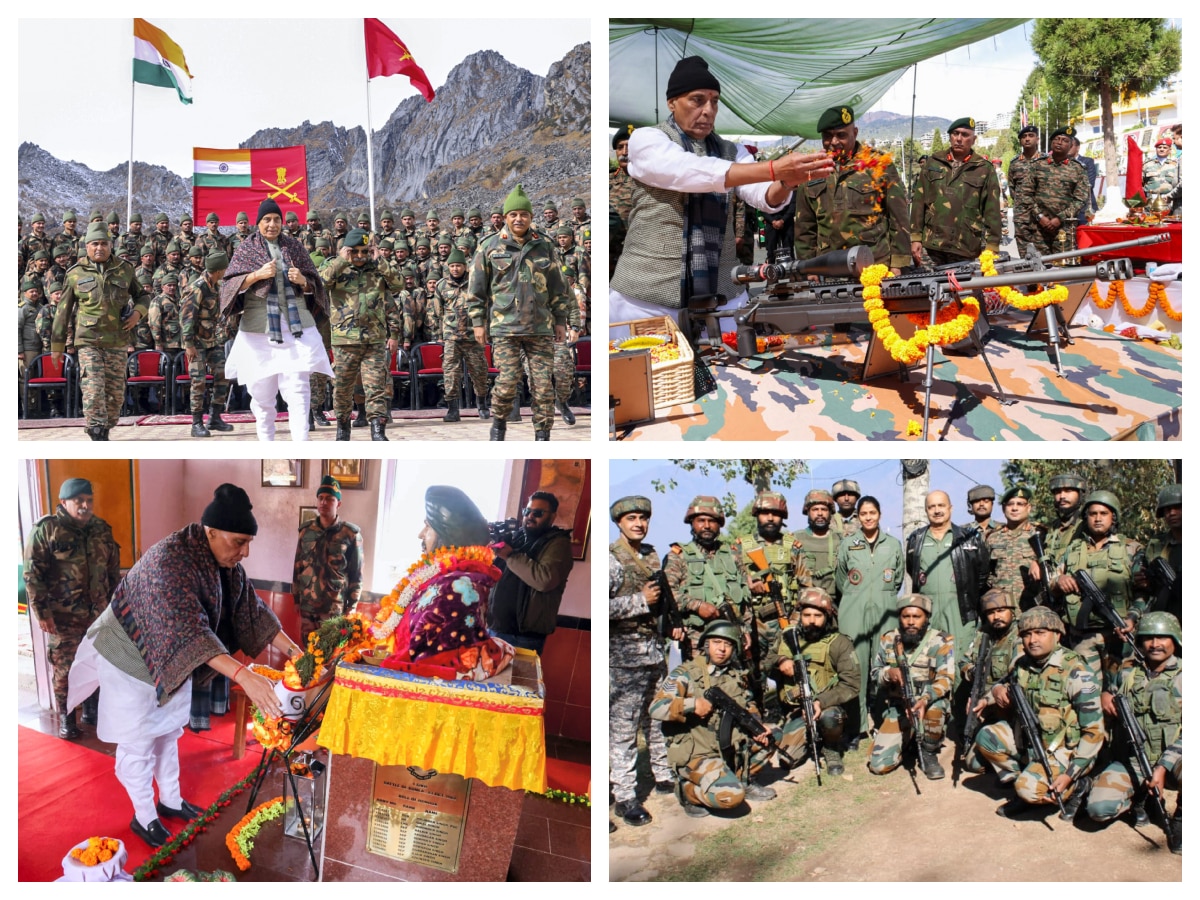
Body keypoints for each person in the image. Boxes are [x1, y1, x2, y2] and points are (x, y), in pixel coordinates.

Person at [65, 484, 301, 848]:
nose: (245, 552)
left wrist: (295, 651)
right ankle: (144, 815)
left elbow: (252, 610)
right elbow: (189, 631)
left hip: (170, 658)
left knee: (168, 731)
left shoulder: (224, 562)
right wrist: (244, 676)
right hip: (130, 655)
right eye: (239, 542)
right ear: (211, 532)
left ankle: (170, 800)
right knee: (140, 740)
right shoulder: (170, 561)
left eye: (248, 542)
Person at [609, 55, 834, 328]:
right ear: (672, 103)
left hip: (722, 295)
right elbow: (687, 170)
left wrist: (787, 181)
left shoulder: (731, 151)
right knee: (649, 369)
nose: (708, 110)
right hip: (644, 299)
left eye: (714, 101)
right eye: (697, 100)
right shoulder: (647, 139)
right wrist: (774, 168)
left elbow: (763, 195)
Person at [219, 198, 333, 442]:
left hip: (296, 326)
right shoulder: (246, 249)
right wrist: (255, 276)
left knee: (299, 387)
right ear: (258, 223)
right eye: (267, 220)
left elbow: (315, 283)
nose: (272, 224)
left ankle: (301, 443)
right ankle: (266, 444)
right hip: (259, 328)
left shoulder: (294, 247)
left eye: (276, 220)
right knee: (261, 392)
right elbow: (228, 287)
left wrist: (302, 280)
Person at [974, 606, 1103, 820]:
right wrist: (992, 693)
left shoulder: (1076, 672)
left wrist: (1073, 772)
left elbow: (1094, 731)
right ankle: (1025, 785)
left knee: (1030, 789)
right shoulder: (1023, 665)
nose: (1032, 640)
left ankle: (1079, 786)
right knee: (987, 738)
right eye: (1026, 634)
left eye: (1040, 633)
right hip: (1035, 740)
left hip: (1068, 750)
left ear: (1057, 635)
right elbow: (1006, 682)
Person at [468, 184, 571, 441]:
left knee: (543, 386)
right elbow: (476, 289)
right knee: (506, 384)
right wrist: (478, 322)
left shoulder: (545, 246)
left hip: (540, 327)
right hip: (505, 328)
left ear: (531, 217)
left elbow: (559, 287)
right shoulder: (489, 247)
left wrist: (561, 321)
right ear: (505, 218)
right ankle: (499, 425)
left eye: (523, 214)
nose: (518, 219)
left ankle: (542, 434)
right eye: (513, 214)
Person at [650, 619, 779, 817]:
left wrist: (757, 726)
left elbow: (748, 703)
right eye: (717, 642)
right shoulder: (686, 674)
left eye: (728, 644)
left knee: (773, 736)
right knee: (731, 796)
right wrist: (692, 705)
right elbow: (656, 708)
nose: (722, 649)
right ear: (706, 644)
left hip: (728, 747)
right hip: (699, 753)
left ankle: (744, 780)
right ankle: (687, 791)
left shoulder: (734, 675)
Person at [23, 478, 121, 739]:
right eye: (79, 501)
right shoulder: (47, 530)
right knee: (65, 669)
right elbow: (33, 575)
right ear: (64, 502)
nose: (85, 505)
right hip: (63, 617)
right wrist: (42, 614)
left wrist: (115, 610)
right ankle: (68, 719)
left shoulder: (101, 528)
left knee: (97, 664)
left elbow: (112, 572)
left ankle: (91, 711)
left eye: (89, 500)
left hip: (99, 615)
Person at [1086, 611, 1181, 851]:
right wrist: (1105, 694)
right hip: (1134, 759)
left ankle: (1181, 818)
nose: (1155, 644)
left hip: (1176, 760)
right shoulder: (1128, 673)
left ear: (1176, 640)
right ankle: (1138, 799)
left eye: (1163, 637)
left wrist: (1162, 766)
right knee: (1098, 809)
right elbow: (1110, 688)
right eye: (1148, 638)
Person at [609, 496, 675, 827]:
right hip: (624, 658)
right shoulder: (611, 560)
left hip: (653, 651)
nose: (639, 523)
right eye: (632, 518)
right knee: (623, 729)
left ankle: (663, 775)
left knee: (657, 718)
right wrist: (640, 601)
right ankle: (625, 796)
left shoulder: (650, 555)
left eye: (643, 518)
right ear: (619, 523)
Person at [50, 221, 149, 440]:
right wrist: (57, 346)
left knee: (114, 397)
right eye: (94, 244)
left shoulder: (124, 269)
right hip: (88, 341)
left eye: (104, 243)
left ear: (110, 245)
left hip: (117, 340)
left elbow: (142, 295)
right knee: (94, 390)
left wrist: (137, 314)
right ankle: (97, 433)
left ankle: (105, 428)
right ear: (86, 247)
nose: (99, 248)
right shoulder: (75, 273)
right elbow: (63, 312)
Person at [794, 105, 912, 273]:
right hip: (828, 268)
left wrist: (898, 264)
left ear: (855, 133)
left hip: (874, 265)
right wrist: (807, 266)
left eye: (841, 135)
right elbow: (804, 225)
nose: (834, 142)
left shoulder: (879, 164)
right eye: (827, 136)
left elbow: (899, 217)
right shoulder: (813, 169)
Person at [1051, 490, 1145, 687]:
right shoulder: (1073, 549)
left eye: (1103, 514)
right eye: (1093, 514)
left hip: (1119, 635)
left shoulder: (1131, 548)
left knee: (1122, 691)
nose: (1098, 518)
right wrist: (1060, 581)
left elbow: (1143, 593)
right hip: (1082, 638)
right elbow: (1051, 582)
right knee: (1086, 693)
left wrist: (1132, 618)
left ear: (1114, 517)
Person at [318, 227, 402, 441]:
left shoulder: (377, 269)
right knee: (343, 389)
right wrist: (341, 260)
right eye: (355, 252)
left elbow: (398, 285)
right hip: (345, 340)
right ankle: (343, 429)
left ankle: (378, 432)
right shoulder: (336, 267)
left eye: (364, 251)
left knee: (376, 388)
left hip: (373, 339)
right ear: (347, 250)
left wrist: (381, 260)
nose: (360, 256)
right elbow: (320, 284)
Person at [835, 495, 904, 741]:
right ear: (858, 516)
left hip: (885, 610)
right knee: (856, 669)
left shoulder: (893, 544)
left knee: (886, 667)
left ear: (879, 514)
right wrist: (858, 598)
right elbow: (841, 578)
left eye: (872, 513)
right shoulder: (847, 544)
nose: (868, 517)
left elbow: (897, 579)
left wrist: (879, 598)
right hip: (854, 611)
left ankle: (885, 722)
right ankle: (857, 726)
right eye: (863, 514)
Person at [774, 587, 860, 776]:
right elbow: (765, 663)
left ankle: (831, 747)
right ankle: (809, 739)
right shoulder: (789, 638)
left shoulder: (839, 643)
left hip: (827, 707)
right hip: (797, 710)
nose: (811, 621)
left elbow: (851, 684)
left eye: (817, 615)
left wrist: (821, 701)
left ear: (828, 617)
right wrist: (781, 661)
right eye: (806, 615)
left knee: (830, 717)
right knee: (787, 760)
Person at [732, 490, 812, 692]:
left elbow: (806, 586)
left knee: (790, 674)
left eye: (775, 513)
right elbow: (729, 584)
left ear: (782, 517)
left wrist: (794, 620)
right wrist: (746, 584)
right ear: (757, 514)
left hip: (785, 620)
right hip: (752, 624)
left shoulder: (792, 546)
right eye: (765, 512)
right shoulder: (741, 547)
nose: (770, 518)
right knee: (750, 676)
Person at [868, 594, 954, 781]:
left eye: (916, 617)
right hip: (898, 708)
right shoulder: (889, 639)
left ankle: (928, 751)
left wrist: (925, 699)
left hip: (928, 705)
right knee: (879, 765)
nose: (911, 622)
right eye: (906, 617)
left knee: (936, 709)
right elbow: (874, 673)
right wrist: (888, 673)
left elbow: (946, 679)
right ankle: (907, 741)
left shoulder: (941, 641)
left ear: (926, 618)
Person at [904, 490, 990, 665]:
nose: (937, 510)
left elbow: (982, 574)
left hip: (959, 612)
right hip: (928, 612)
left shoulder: (969, 538)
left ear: (950, 508)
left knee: (959, 661)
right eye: (931, 507)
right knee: (929, 662)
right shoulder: (916, 539)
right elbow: (912, 569)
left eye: (941, 505)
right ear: (926, 510)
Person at [487, 491, 573, 654]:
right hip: (495, 628)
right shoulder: (516, 537)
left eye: (538, 513)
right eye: (527, 511)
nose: (530, 516)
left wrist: (510, 555)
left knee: (518, 680)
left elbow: (545, 580)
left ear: (552, 517)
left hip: (523, 637)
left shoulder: (558, 544)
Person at [664, 495, 748, 659]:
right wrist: (697, 605)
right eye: (701, 520)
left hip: (731, 638)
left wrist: (745, 630)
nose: (707, 526)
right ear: (692, 523)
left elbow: (745, 596)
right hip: (697, 641)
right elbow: (668, 595)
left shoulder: (732, 555)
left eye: (712, 521)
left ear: (720, 524)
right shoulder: (679, 556)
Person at [910, 117, 1003, 265]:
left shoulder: (984, 169)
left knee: (962, 287)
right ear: (950, 137)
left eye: (965, 135)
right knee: (928, 285)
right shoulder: (932, 163)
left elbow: (992, 210)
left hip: (965, 246)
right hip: (931, 245)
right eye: (955, 133)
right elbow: (918, 202)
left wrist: (992, 245)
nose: (959, 139)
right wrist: (915, 237)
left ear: (973, 139)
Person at [958, 588, 1023, 777]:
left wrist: (986, 698)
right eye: (991, 612)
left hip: (1012, 707)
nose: (996, 617)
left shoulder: (1020, 636)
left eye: (1001, 610)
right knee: (973, 764)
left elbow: (1017, 677)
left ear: (1012, 610)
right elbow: (964, 661)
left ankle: (1022, 770)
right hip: (988, 707)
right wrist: (973, 673)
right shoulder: (983, 635)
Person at [292, 476, 363, 643]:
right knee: (308, 654)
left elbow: (356, 575)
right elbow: (297, 568)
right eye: (321, 498)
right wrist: (296, 599)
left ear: (338, 504)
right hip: (308, 607)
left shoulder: (350, 534)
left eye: (329, 499)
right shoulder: (306, 532)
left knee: (330, 654)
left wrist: (351, 607)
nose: (323, 502)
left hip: (333, 608)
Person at [180, 251, 234, 437]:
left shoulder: (215, 286)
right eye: (225, 267)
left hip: (211, 341)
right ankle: (196, 423)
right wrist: (188, 344)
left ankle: (215, 418)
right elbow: (187, 317)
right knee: (198, 381)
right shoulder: (198, 287)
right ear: (218, 270)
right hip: (195, 342)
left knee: (223, 373)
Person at [1018, 126, 1092, 262]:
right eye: (1057, 139)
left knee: (1063, 267)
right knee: (1040, 266)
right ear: (1051, 143)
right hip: (1039, 227)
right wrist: (1040, 216)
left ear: (1070, 145)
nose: (1059, 142)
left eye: (1064, 140)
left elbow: (1080, 199)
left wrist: (1060, 219)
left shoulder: (1078, 169)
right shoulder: (1037, 165)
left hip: (1064, 228)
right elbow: (1026, 194)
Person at [436, 246, 490, 424]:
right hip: (452, 337)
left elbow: (485, 305)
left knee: (480, 372)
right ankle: (452, 409)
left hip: (473, 336)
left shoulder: (474, 283)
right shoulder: (441, 285)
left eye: (459, 266)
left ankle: (482, 405)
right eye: (452, 266)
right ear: (448, 267)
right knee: (451, 373)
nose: (455, 269)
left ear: (465, 267)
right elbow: (438, 311)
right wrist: (441, 332)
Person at [985, 486, 1046, 610]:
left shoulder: (1041, 535)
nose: (1014, 508)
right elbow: (987, 574)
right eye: (1010, 504)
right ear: (1003, 508)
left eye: (1020, 504)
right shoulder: (992, 537)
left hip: (1033, 607)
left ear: (1028, 508)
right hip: (1002, 608)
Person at [1137, 484, 1181, 622]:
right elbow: (1144, 587)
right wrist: (1143, 582)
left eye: (1178, 508)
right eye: (1167, 510)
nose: (1172, 513)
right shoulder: (1156, 544)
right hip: (1164, 622)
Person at [1008, 125, 1047, 258]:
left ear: (1037, 139)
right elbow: (1012, 188)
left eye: (1031, 136)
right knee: (1025, 259)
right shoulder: (1015, 163)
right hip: (1022, 217)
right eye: (1024, 137)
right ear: (1020, 141)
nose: (1027, 139)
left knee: (1045, 257)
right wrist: (1022, 203)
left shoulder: (1047, 161)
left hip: (1043, 217)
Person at [796, 489, 841, 599]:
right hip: (805, 604)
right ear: (808, 512)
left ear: (830, 513)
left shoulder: (841, 540)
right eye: (815, 509)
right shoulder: (796, 539)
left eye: (824, 509)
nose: (820, 513)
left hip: (834, 603)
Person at [1043, 471, 1087, 563]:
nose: (1062, 496)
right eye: (1057, 492)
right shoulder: (1052, 528)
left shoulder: (1088, 526)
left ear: (1080, 494)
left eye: (1068, 491)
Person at [1143, 135, 1181, 214]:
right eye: (1159, 147)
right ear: (1156, 149)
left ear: (1169, 150)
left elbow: (1178, 183)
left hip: (1168, 201)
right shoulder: (1147, 165)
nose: (1161, 149)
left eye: (1164, 147)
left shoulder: (1175, 165)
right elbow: (1140, 183)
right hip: (1150, 202)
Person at [1068, 136, 1099, 226]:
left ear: (1078, 147)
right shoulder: (1063, 163)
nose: (1068, 147)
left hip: (1084, 208)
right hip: (1067, 209)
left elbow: (1090, 183)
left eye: (1071, 145)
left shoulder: (1087, 161)